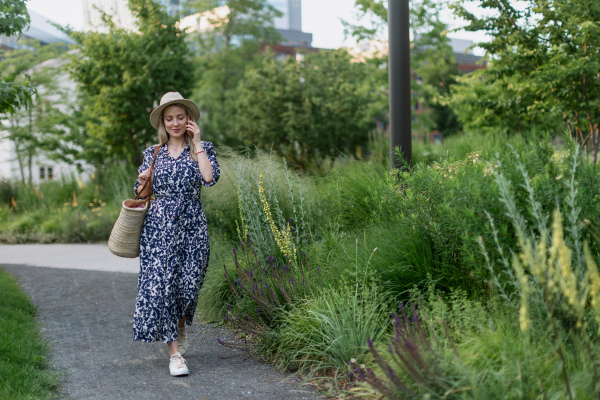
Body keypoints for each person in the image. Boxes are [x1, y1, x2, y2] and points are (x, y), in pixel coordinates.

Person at [132, 92, 220, 376]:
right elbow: (142, 194)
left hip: (192, 224)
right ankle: (175, 355)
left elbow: (209, 178)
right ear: (163, 122)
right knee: (165, 287)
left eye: (180, 117)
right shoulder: (152, 153)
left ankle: (178, 325)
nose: (175, 123)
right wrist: (144, 181)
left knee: (189, 285)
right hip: (159, 228)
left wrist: (197, 143)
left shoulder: (202, 147)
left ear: (189, 119)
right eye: (169, 118)